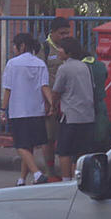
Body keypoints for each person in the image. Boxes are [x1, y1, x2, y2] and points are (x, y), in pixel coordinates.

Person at [1, 33, 52, 186]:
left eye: (15, 46)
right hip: (37, 110)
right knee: (29, 146)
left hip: (19, 111)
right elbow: (45, 86)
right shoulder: (40, 63)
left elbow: (8, 89)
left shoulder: (12, 64)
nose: (13, 49)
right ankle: (22, 179)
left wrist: (3, 109)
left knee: (20, 145)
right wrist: (52, 104)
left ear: (22, 46)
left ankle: (37, 174)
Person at [51, 37, 95, 181]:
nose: (58, 51)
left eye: (61, 48)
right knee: (80, 153)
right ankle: (79, 179)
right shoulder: (85, 67)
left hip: (70, 116)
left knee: (64, 151)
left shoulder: (64, 68)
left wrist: (52, 105)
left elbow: (57, 91)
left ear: (68, 52)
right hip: (87, 116)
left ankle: (65, 180)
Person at [43, 17, 72, 177]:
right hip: (51, 102)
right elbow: (41, 77)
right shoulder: (45, 49)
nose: (65, 36)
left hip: (68, 101)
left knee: (66, 137)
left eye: (67, 33)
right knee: (49, 137)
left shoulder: (70, 47)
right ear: (52, 32)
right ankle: (50, 172)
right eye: (61, 33)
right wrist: (48, 102)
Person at [81, 51, 111, 153]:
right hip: (100, 105)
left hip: (84, 107)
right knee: (102, 134)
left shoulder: (81, 66)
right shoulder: (101, 66)